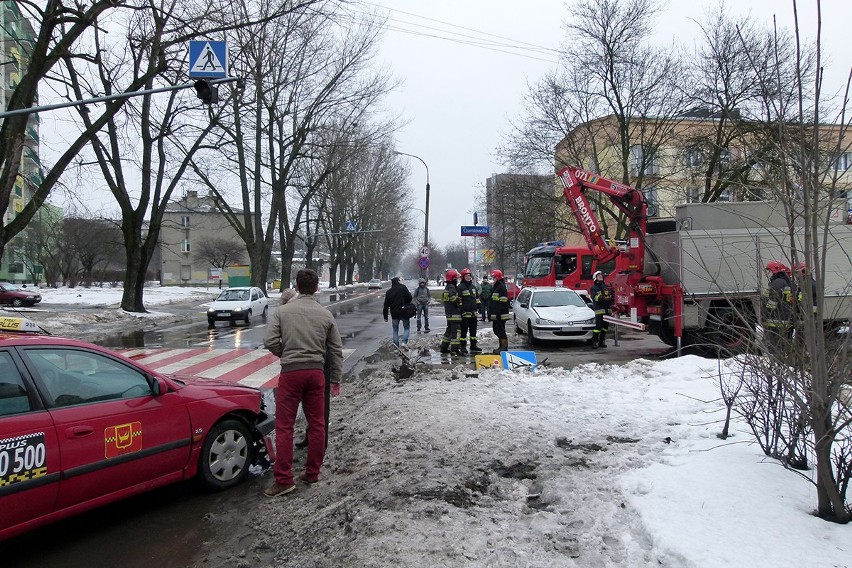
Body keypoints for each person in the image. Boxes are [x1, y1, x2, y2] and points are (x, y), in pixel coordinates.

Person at [262, 269, 343, 497]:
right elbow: (335, 350)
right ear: (317, 288)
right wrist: (335, 378)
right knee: (317, 424)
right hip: (316, 373)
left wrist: (285, 353)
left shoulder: (283, 311)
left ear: (296, 286)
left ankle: (284, 479)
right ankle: (312, 472)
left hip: (290, 374)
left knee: (285, 426)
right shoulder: (325, 314)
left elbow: (269, 340)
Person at [762, 260, 794, 351]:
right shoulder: (784, 282)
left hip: (775, 319)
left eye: (769, 271)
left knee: (775, 347)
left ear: (775, 270)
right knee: (783, 346)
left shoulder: (777, 283)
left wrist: (766, 313)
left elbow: (773, 301)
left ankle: (777, 363)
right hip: (782, 318)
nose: (768, 273)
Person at [383, 276, 413, 347]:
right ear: (398, 281)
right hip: (404, 311)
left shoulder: (389, 292)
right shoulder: (403, 288)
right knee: (406, 328)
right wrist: (406, 302)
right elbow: (409, 297)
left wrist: (385, 316)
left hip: (394, 313)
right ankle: (404, 342)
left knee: (395, 330)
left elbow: (386, 305)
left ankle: (396, 347)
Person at [457, 268, 482, 354]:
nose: (468, 277)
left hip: (473, 313)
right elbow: (459, 301)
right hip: (464, 314)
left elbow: (477, 298)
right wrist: (461, 311)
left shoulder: (473, 287)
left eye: (469, 276)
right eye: (466, 276)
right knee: (464, 332)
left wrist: (479, 306)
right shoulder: (460, 287)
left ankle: (473, 346)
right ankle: (463, 346)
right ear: (463, 277)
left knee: (473, 331)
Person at [440, 269, 463, 354]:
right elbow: (453, 299)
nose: (457, 280)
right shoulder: (452, 287)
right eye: (456, 278)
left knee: (449, 331)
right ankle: (455, 350)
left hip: (449, 313)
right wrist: (459, 300)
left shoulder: (447, 287)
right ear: (453, 279)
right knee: (456, 332)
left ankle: (444, 347)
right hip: (454, 314)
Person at [589, 270, 614, 348]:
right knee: (598, 327)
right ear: (595, 278)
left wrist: (612, 295)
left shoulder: (606, 286)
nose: (600, 277)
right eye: (598, 276)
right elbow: (595, 297)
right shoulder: (593, 288)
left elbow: (611, 295)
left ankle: (601, 342)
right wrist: (602, 297)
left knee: (605, 328)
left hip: (607, 309)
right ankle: (594, 342)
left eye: (601, 276)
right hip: (599, 310)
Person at [489, 269, 510, 353]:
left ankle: (504, 347)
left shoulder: (501, 287)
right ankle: (501, 346)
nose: (493, 278)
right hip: (497, 313)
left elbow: (503, 301)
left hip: (501, 314)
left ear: (497, 277)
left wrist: (498, 312)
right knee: (496, 329)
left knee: (500, 330)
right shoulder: (497, 286)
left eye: (494, 277)